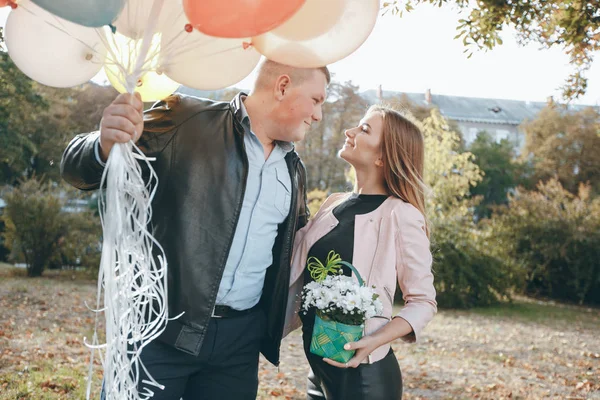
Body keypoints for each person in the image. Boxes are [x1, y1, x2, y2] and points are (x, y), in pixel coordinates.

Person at [61, 59, 330, 400]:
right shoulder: (185, 119)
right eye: (317, 100)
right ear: (282, 86)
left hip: (239, 345)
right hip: (158, 332)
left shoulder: (294, 169)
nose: (318, 115)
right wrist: (102, 144)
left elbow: (291, 250)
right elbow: (77, 169)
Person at [284, 105, 437, 400]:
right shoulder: (333, 203)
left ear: (383, 157)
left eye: (365, 129)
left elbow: (423, 302)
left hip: (364, 375)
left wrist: (375, 340)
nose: (349, 131)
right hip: (318, 368)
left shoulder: (400, 215)